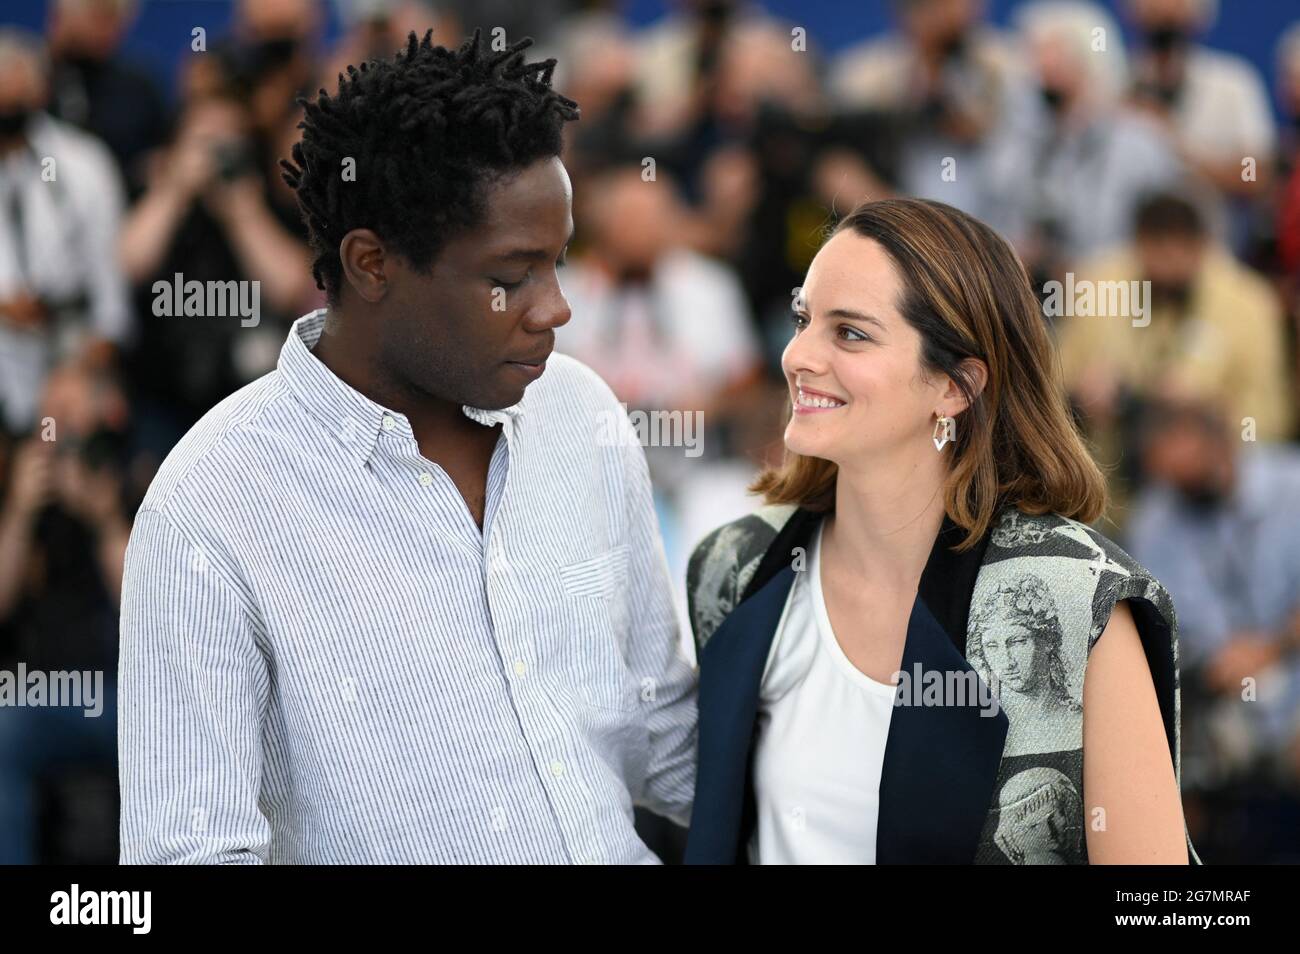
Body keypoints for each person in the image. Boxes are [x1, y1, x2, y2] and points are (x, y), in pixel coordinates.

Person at [117, 30, 697, 864]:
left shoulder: (583, 414)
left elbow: (665, 737)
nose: (557, 308)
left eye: (560, 262)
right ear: (370, 264)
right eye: (511, 276)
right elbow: (191, 852)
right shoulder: (209, 507)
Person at [684, 197, 1199, 864]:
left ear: (954, 388)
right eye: (802, 320)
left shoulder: (1077, 601)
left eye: (850, 334)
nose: (797, 356)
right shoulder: (735, 566)